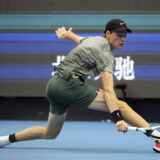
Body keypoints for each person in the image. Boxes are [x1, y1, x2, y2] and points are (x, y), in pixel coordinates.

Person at [0, 19, 159, 152]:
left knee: (49, 133)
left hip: (53, 86)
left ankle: (5, 139)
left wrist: (66, 34)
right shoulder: (106, 55)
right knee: (121, 106)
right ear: (108, 33)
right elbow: (109, 90)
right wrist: (117, 118)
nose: (122, 39)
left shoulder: (92, 40)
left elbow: (76, 38)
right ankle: (157, 137)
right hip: (69, 85)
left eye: (124, 35)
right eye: (119, 35)